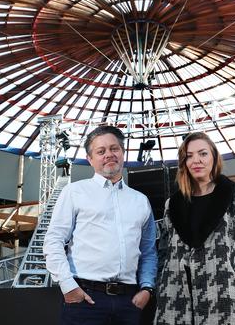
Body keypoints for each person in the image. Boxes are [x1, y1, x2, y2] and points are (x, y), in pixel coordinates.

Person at [44, 126, 157, 325]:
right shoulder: (74, 192)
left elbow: (148, 251)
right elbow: (53, 241)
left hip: (129, 302)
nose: (109, 155)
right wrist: (68, 286)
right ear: (90, 159)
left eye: (114, 149)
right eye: (101, 151)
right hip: (85, 300)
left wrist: (147, 289)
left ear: (122, 153)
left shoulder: (141, 201)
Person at [155, 132, 235, 325]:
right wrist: (163, 283)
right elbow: (164, 251)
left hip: (221, 299)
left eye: (202, 154)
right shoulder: (171, 204)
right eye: (189, 156)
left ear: (214, 157)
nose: (196, 160)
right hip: (175, 301)